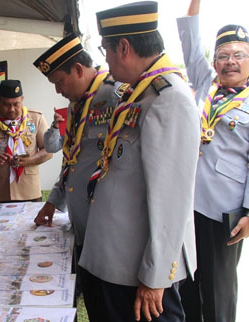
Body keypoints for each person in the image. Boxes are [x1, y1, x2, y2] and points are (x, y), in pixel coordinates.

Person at [78, 2, 201, 321]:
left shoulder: (168, 99)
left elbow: (172, 199)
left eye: (106, 50)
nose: (105, 59)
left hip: (136, 272)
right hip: (116, 259)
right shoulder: (139, 94)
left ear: (124, 47)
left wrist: (155, 277)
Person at [177, 0, 249, 321]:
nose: (230, 62)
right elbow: (191, 46)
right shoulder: (206, 84)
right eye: (223, 55)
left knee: (218, 290)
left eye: (238, 55)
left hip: (222, 211)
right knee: (187, 282)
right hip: (186, 204)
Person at [32, 34, 127, 280]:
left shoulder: (117, 96)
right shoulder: (76, 105)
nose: (58, 90)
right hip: (81, 221)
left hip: (108, 226)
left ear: (78, 69)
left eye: (59, 81)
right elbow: (72, 160)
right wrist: (54, 201)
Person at [0, 80, 52, 203]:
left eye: (16, 104)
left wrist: (30, 160)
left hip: (30, 191)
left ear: (22, 100)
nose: (11, 109)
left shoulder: (36, 118)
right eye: (6, 104)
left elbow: (48, 150)